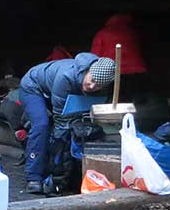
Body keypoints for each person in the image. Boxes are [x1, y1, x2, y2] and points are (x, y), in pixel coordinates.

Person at [18, 53, 116, 194]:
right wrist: (59, 156)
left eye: (98, 86)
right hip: (33, 86)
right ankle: (33, 176)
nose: (92, 86)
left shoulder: (100, 85)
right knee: (42, 124)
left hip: (56, 93)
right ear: (88, 71)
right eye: (92, 80)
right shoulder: (66, 77)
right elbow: (61, 120)